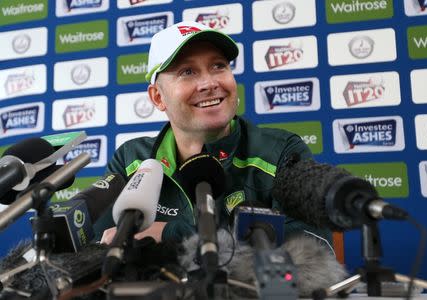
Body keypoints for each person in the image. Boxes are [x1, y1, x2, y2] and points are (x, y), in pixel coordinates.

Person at [96, 21, 332, 249]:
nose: (209, 83)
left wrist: (172, 234)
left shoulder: (280, 151)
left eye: (219, 65)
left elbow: (313, 244)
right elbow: (96, 248)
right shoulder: (130, 159)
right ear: (158, 97)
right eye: (188, 71)